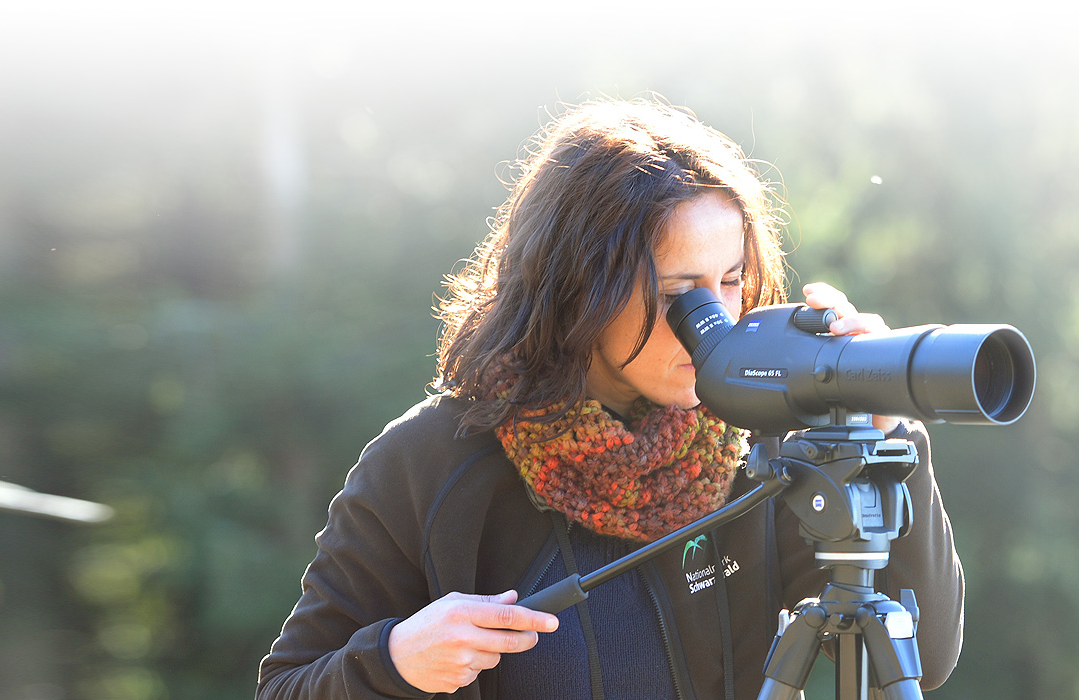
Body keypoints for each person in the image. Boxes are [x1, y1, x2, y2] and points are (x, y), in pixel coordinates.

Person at [256, 99, 963, 700]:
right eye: (673, 294)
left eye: (731, 279)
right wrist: (393, 661)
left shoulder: (767, 446)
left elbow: (915, 659)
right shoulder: (430, 464)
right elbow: (288, 685)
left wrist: (884, 435)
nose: (712, 319)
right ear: (575, 288)